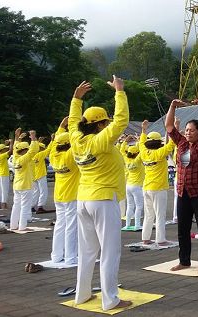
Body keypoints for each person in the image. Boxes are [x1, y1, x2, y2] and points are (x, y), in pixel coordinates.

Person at [68, 76, 131, 310]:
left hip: (83, 200)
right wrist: (120, 92)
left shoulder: (76, 139)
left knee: (87, 252)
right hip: (103, 200)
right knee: (110, 252)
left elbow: (74, 121)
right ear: (99, 125)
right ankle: (110, 299)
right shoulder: (100, 141)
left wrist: (76, 99)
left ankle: (82, 295)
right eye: (105, 122)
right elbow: (121, 121)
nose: (107, 125)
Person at [165, 98, 198, 274]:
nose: (187, 133)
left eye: (191, 130)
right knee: (182, 228)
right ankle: (184, 261)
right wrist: (172, 106)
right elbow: (169, 126)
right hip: (182, 191)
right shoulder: (181, 143)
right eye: (186, 130)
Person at [139, 120, 175, 245]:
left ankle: (146, 238)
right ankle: (160, 239)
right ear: (159, 142)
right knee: (160, 215)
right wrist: (175, 127)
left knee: (149, 214)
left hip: (146, 187)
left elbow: (141, 143)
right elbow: (171, 144)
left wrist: (144, 130)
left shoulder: (143, 152)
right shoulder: (160, 152)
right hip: (158, 188)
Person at [49, 117, 80, 265]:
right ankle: (70, 257)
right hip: (72, 195)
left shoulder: (53, 155)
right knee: (71, 227)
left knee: (60, 226)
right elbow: (77, 141)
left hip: (58, 195)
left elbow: (55, 142)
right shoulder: (70, 155)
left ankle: (56, 256)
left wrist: (61, 126)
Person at [10, 129, 39, 231]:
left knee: (16, 206)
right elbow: (33, 151)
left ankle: (13, 226)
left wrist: (17, 137)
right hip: (26, 186)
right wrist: (33, 138)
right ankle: (22, 227)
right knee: (25, 207)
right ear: (25, 150)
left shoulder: (15, 158)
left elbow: (15, 148)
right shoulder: (24, 158)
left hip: (17, 186)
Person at [120, 135, 144, 230]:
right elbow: (143, 150)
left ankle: (127, 224)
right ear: (136, 153)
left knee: (130, 205)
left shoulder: (127, 159)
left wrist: (125, 141)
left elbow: (122, 150)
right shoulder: (138, 161)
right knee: (139, 206)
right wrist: (139, 141)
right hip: (137, 186)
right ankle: (137, 224)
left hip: (128, 185)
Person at [31, 136, 53, 213]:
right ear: (40, 148)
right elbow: (49, 149)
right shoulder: (40, 155)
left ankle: (32, 206)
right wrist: (52, 140)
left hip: (33, 176)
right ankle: (40, 207)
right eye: (42, 148)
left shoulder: (32, 155)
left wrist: (38, 141)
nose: (43, 149)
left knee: (35, 191)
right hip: (41, 174)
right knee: (44, 191)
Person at [0, 139, 13, 210]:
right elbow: (10, 151)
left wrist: (5, 144)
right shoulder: (2, 156)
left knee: (0, 189)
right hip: (4, 173)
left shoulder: (0, 155)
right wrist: (11, 142)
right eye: (4, 149)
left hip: (0, 173)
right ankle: (3, 204)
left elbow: (6, 149)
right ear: (2, 150)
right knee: (5, 190)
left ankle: (0, 204)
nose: (6, 150)